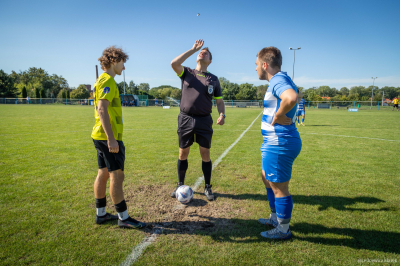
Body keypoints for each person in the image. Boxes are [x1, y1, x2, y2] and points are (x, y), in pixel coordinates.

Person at [91, 46, 146, 229]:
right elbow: (102, 109)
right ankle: (124, 217)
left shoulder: (102, 80)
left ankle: (101, 214)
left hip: (100, 135)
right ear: (114, 61)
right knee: (117, 176)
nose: (124, 68)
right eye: (123, 63)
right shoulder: (107, 80)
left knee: (103, 172)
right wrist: (112, 139)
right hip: (108, 137)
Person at [255, 47, 302, 240]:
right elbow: (294, 95)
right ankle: (275, 218)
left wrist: (279, 115)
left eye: (256, 64)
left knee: (279, 187)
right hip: (277, 141)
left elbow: (290, 97)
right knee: (267, 177)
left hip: (279, 142)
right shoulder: (282, 78)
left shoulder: (277, 80)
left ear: (265, 65)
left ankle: (283, 229)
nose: (256, 68)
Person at [170, 39, 225, 201]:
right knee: (183, 153)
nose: (203, 53)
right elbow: (174, 63)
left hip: (204, 120)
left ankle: (207, 187)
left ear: (210, 60)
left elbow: (219, 101)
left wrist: (222, 114)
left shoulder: (213, 79)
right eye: (201, 52)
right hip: (185, 118)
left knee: (205, 153)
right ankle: (180, 184)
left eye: (206, 53)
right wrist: (193, 49)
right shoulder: (187, 72)